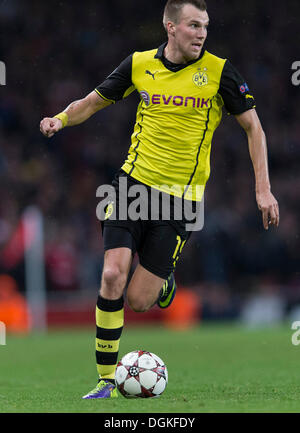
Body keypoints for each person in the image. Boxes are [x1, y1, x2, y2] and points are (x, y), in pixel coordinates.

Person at [40, 0, 280, 399]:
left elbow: (254, 128)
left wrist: (263, 188)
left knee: (138, 300)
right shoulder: (138, 64)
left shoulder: (219, 72)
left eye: (204, 26)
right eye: (192, 25)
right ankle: (105, 380)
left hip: (180, 201)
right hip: (131, 186)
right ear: (170, 27)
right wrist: (60, 119)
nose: (201, 33)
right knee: (112, 275)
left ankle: (163, 282)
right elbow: (94, 100)